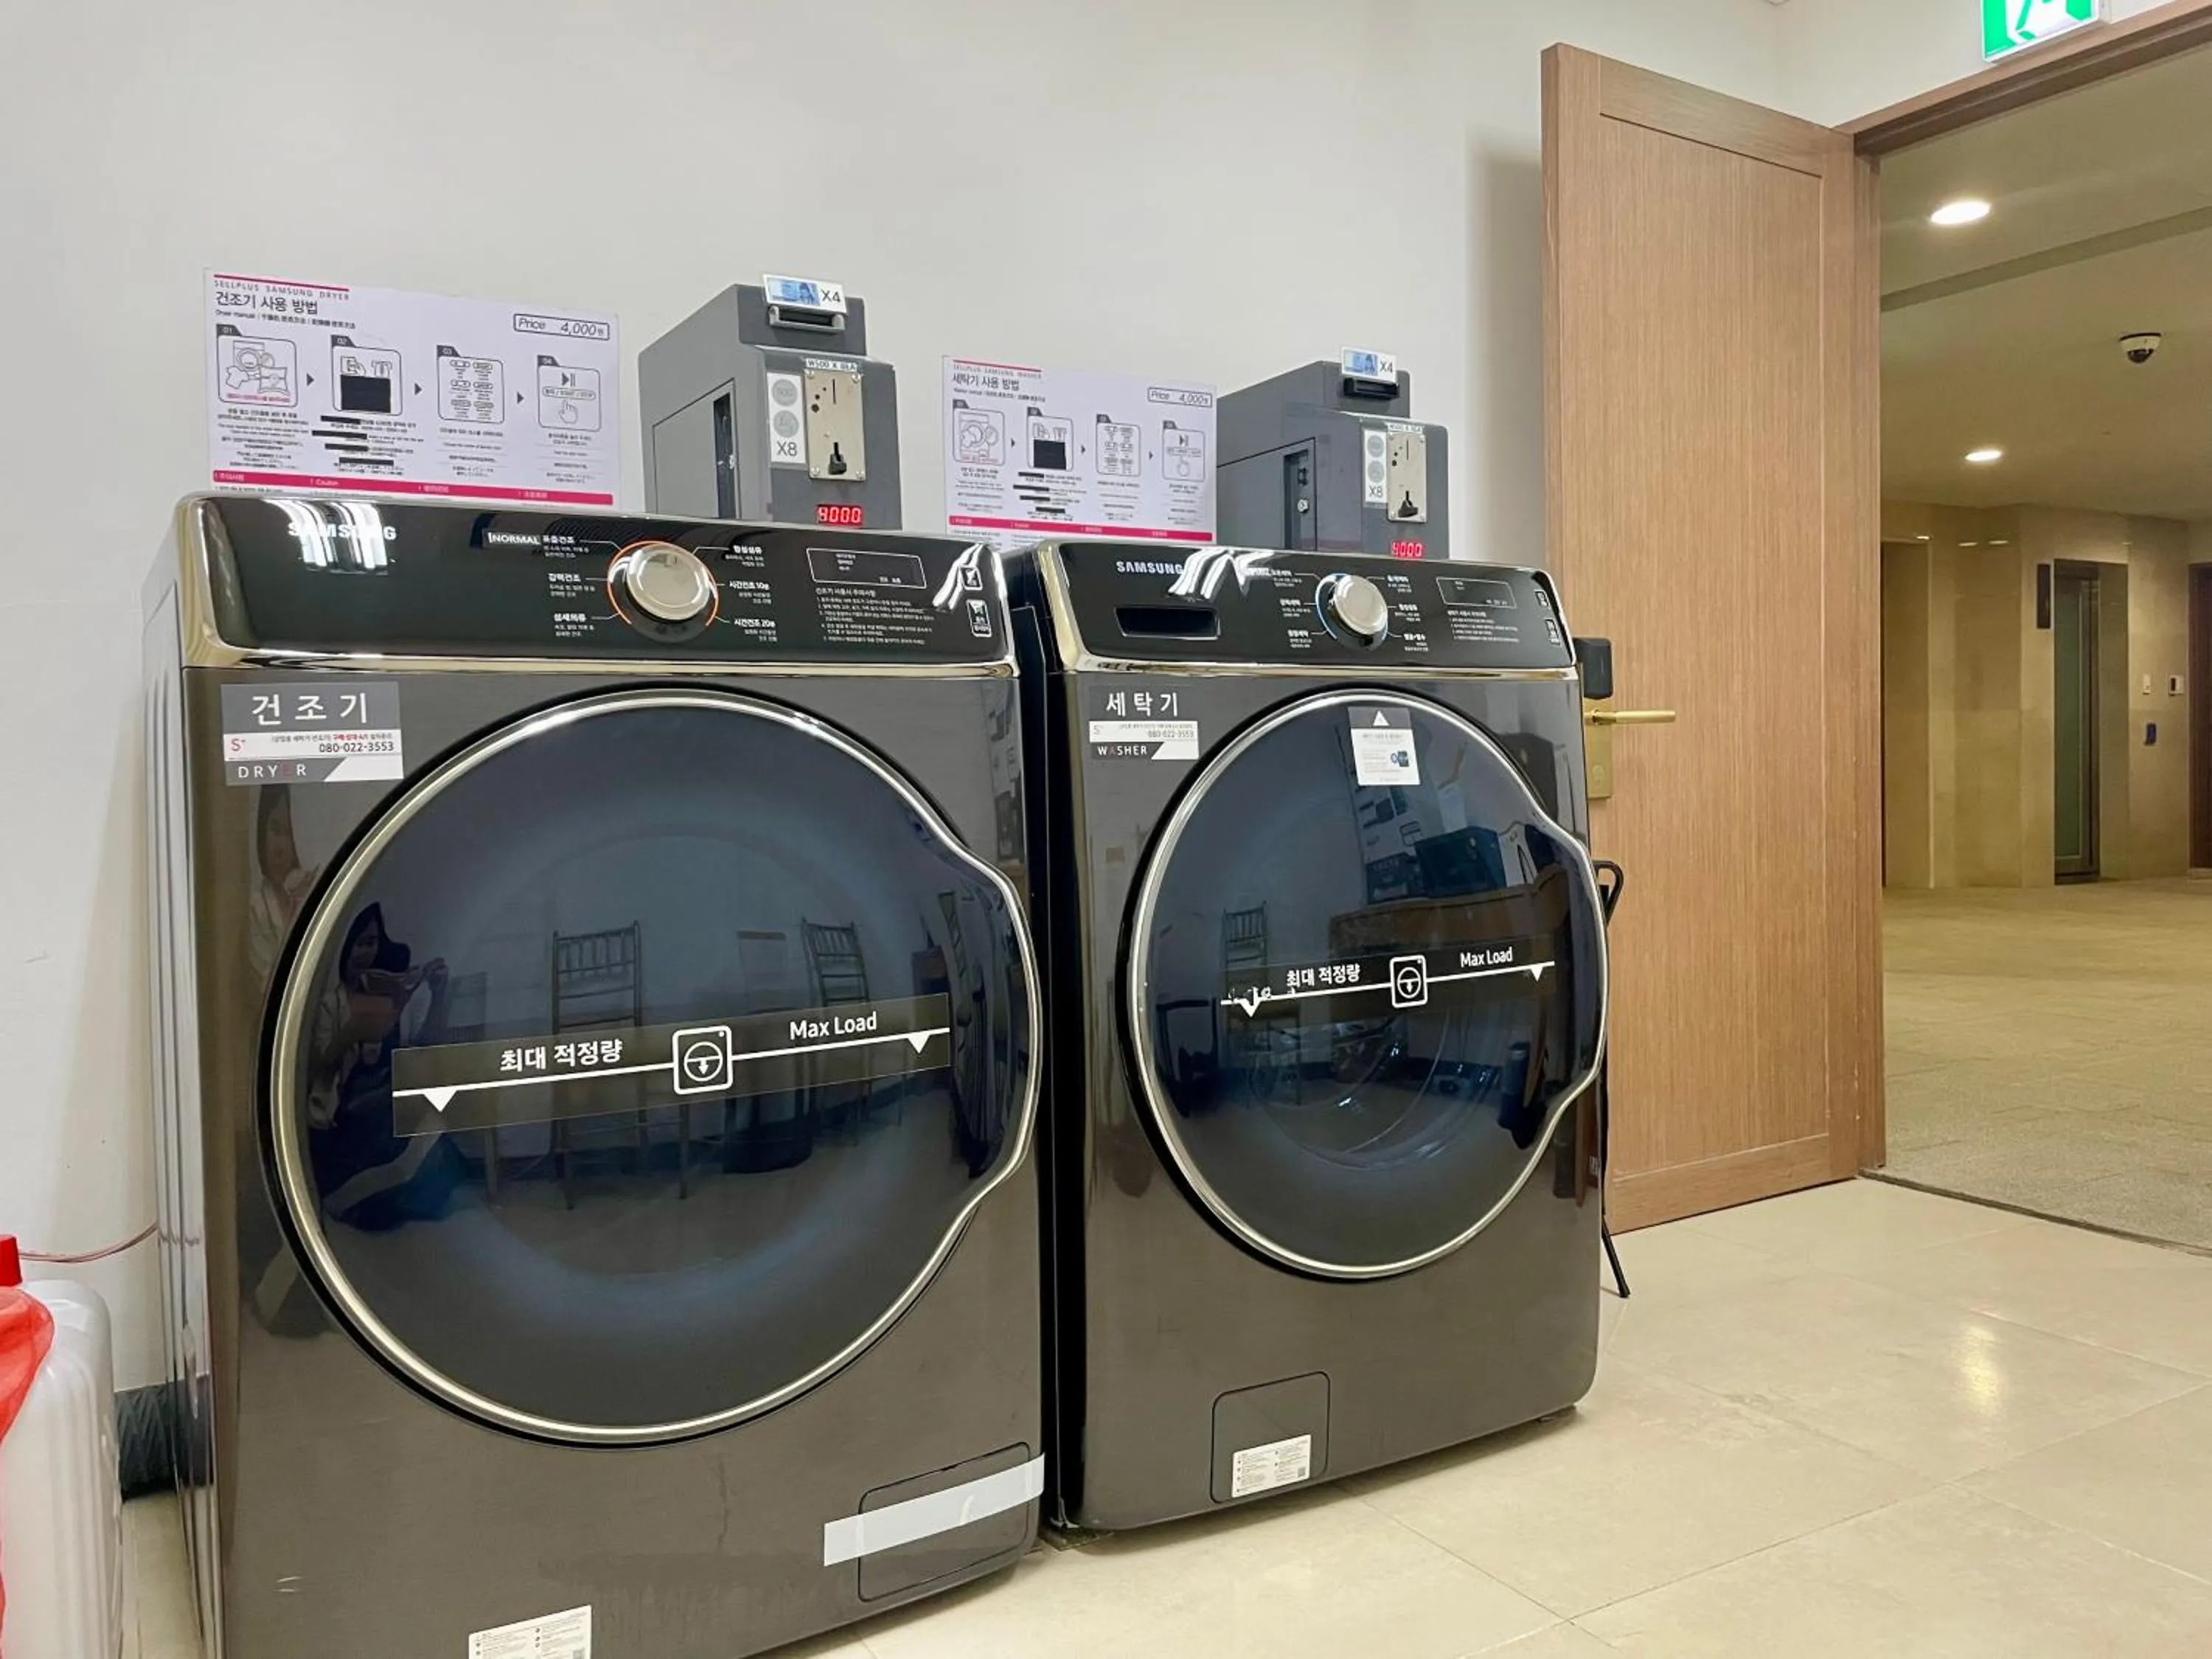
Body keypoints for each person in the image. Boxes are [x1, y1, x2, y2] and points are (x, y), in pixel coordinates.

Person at [305, 903, 460, 1230]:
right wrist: (353, 1033)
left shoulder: (393, 996)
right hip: (347, 1122)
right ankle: (352, 1199)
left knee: (438, 1168)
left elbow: (427, 1049)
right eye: (360, 942)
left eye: (373, 942)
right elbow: (315, 1075)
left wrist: (439, 994)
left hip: (390, 1112)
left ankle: (370, 1198)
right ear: (344, 946)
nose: (367, 951)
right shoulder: (328, 1006)